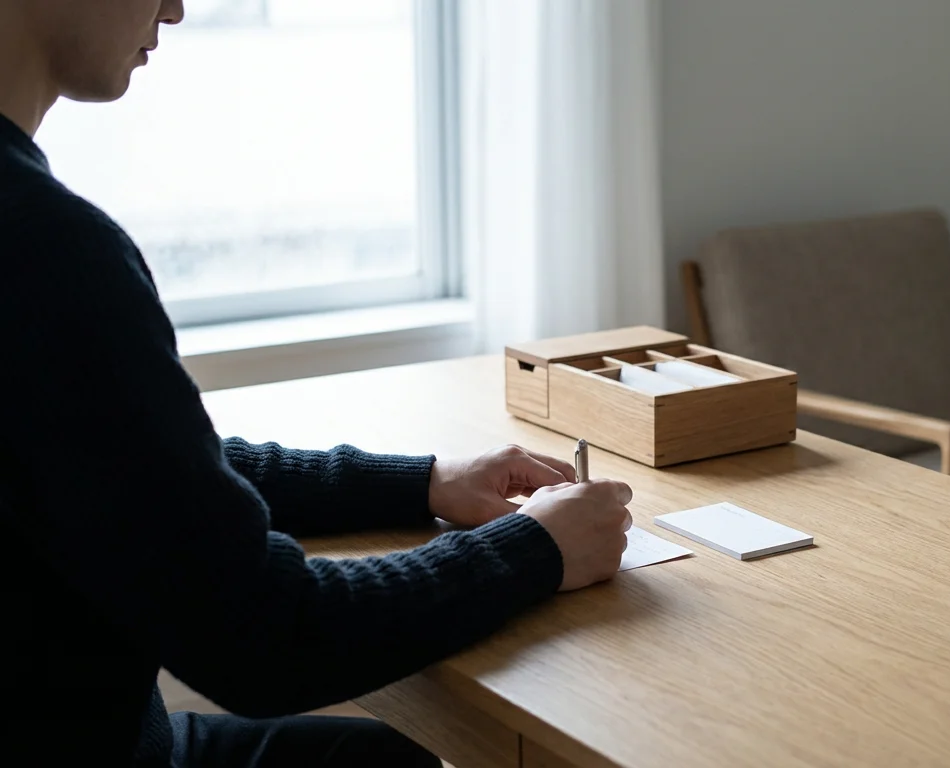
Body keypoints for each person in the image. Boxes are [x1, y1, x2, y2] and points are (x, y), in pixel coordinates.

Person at [0, 1, 636, 766]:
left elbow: (138, 472)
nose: (176, 7)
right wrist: (535, 548)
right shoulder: (44, 253)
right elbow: (268, 639)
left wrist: (423, 482)